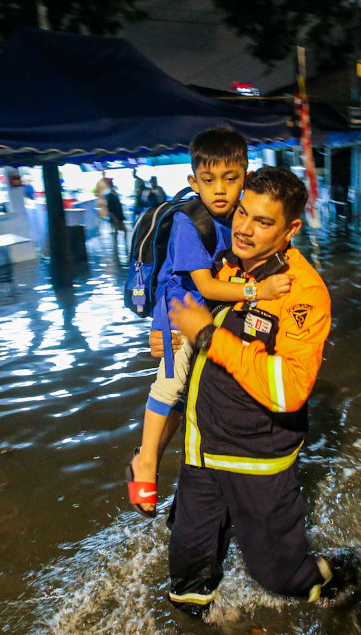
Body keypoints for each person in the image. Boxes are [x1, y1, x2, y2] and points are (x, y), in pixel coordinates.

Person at [164, 167, 358, 618]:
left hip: (257, 455)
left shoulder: (305, 293)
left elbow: (289, 390)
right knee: (188, 566)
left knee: (277, 576)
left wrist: (209, 336)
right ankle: (194, 628)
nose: (244, 229)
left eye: (263, 222)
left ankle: (334, 579)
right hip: (200, 447)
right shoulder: (223, 264)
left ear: (291, 228)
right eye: (242, 213)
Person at [127, 127, 293, 517]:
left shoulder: (240, 216)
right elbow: (204, 285)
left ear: (246, 177)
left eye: (230, 179)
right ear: (193, 181)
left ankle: (183, 483)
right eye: (208, 180)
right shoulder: (189, 223)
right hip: (181, 315)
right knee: (169, 385)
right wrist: (261, 292)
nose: (219, 189)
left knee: (190, 399)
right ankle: (146, 460)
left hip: (208, 317)